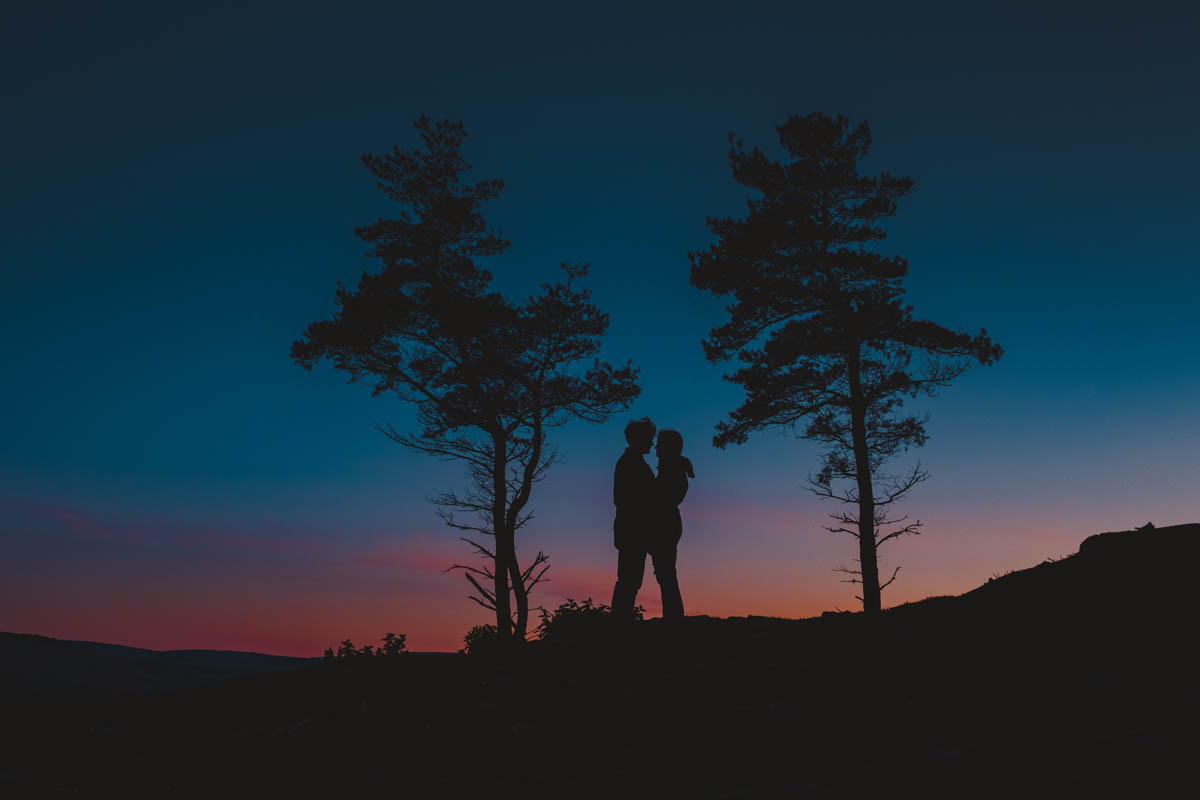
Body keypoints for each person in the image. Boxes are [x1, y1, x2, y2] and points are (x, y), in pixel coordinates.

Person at [650, 429, 692, 621]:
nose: (656, 447)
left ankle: (673, 620)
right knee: (666, 575)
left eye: (660, 444)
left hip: (666, 525)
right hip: (668, 523)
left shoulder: (671, 468)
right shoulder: (672, 466)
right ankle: (673, 618)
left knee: (666, 575)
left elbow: (666, 497)